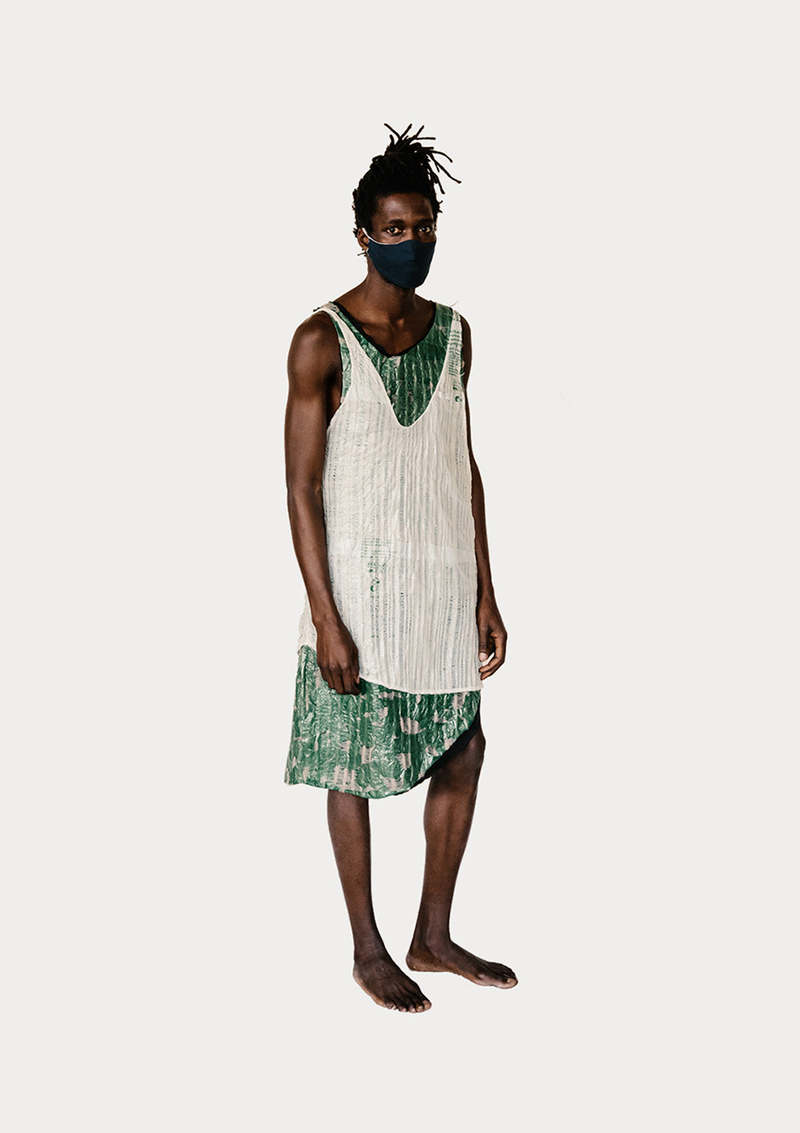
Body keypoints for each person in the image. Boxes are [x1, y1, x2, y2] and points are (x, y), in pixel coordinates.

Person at [283, 123, 517, 1012]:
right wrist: (326, 616)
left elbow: (463, 464)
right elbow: (301, 486)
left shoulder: (455, 333)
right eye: (393, 228)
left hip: (439, 585)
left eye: (422, 226)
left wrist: (487, 589)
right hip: (357, 591)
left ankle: (433, 933)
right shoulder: (321, 339)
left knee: (464, 746)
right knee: (350, 762)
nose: (410, 241)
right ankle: (368, 948)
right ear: (362, 234)